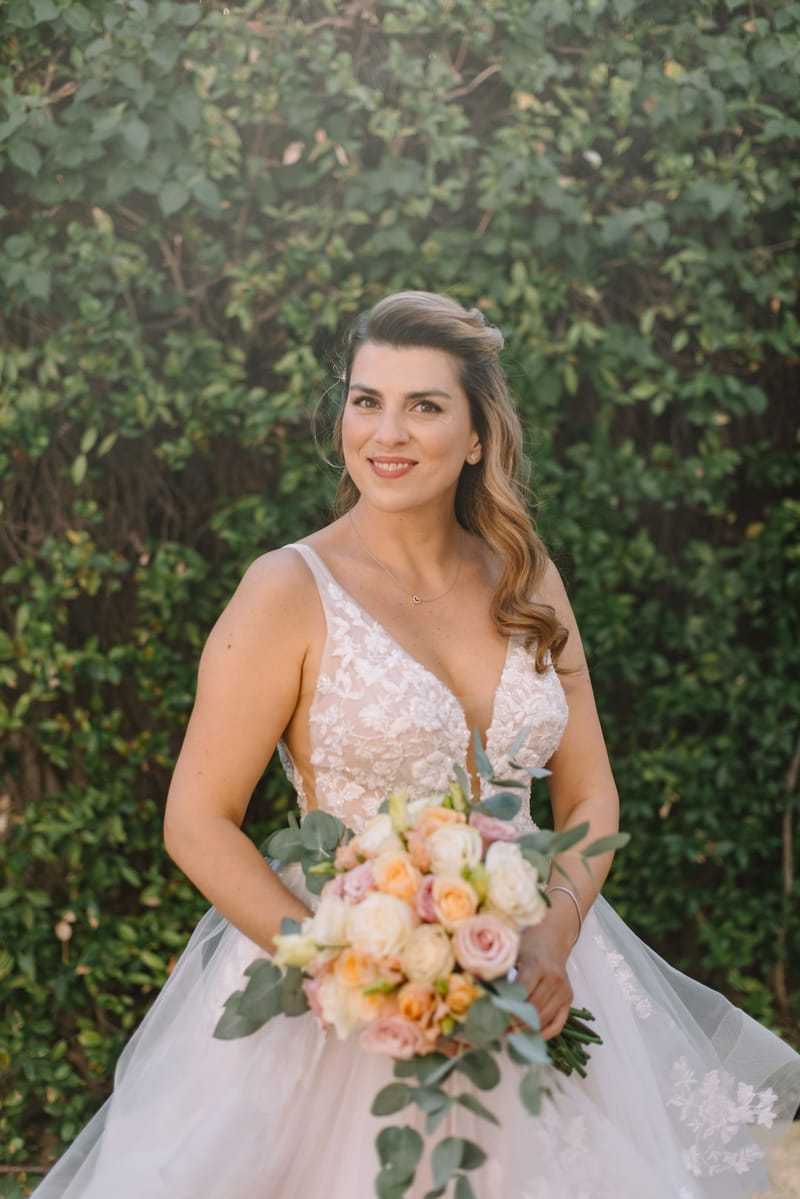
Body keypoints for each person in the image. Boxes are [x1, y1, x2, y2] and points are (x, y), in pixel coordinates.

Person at [34, 292, 800, 1198]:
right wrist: (352, 967)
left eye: (424, 406)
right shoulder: (285, 590)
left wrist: (553, 935)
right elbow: (197, 821)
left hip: (535, 975)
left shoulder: (528, 579)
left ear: (478, 434)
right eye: (366, 400)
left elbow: (591, 796)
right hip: (340, 994)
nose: (385, 433)